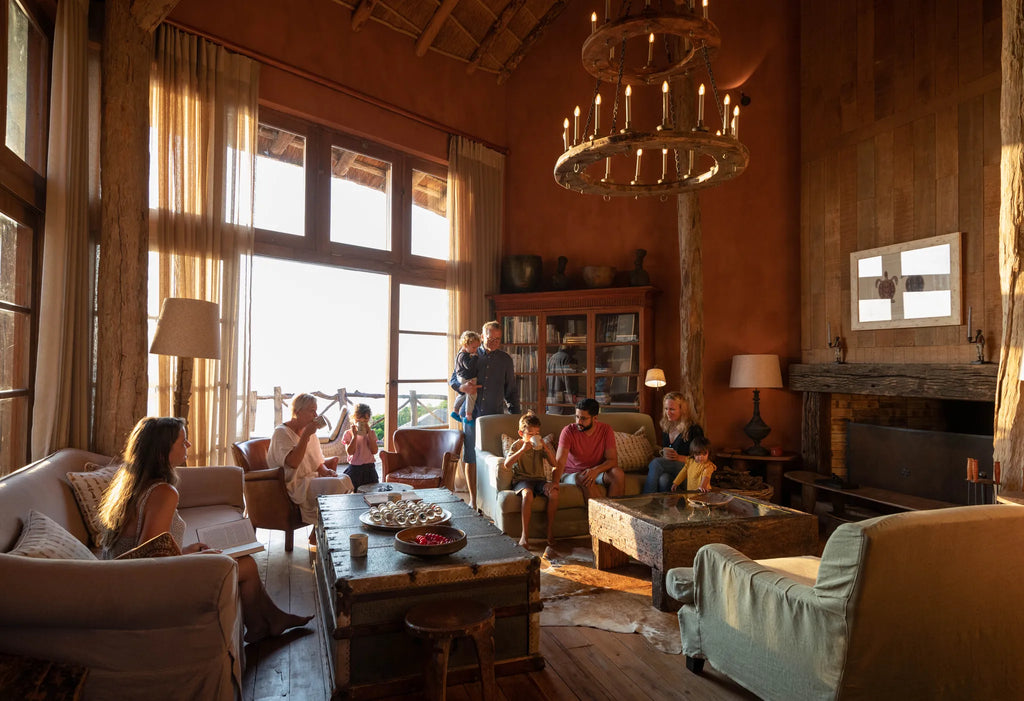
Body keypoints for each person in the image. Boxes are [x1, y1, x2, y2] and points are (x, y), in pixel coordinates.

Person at [98, 416, 312, 643]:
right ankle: (266, 623)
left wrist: (185, 551)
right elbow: (150, 561)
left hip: (126, 579)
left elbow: (149, 549)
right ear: (162, 452)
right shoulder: (162, 493)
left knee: (242, 562)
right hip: (144, 590)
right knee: (247, 565)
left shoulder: (131, 486)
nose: (188, 445)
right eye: (182, 441)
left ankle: (265, 623)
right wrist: (196, 559)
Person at [449, 320, 519, 510]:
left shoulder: (505, 360)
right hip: (470, 416)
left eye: (498, 339)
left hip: (494, 417)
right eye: (490, 338)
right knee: (471, 457)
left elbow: (511, 391)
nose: (494, 342)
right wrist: (461, 387)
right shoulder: (467, 353)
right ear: (482, 336)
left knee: (493, 459)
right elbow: (453, 379)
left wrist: (516, 417)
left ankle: (491, 502)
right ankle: (473, 500)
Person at [267, 393, 354, 541]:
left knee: (344, 478)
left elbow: (316, 461)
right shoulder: (281, 432)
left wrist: (326, 471)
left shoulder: (310, 432)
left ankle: (321, 529)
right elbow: (293, 463)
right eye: (312, 411)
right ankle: (320, 532)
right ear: (297, 412)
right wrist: (306, 435)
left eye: (316, 410)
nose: (316, 415)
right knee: (337, 485)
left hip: (310, 479)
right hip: (293, 484)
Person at [503, 411, 559, 549]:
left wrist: (546, 447)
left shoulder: (539, 446)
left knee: (554, 493)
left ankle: (549, 531)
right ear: (521, 433)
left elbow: (554, 464)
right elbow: (507, 464)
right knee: (527, 494)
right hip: (522, 480)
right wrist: (522, 450)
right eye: (530, 434)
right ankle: (524, 535)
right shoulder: (517, 445)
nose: (534, 437)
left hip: (539, 480)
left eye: (537, 433)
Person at [555, 398, 624, 500]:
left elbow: (612, 460)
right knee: (586, 479)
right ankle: (602, 510)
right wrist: (554, 482)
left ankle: (615, 510)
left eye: (583, 418)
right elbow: (559, 462)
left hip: (596, 473)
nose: (578, 422)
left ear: (595, 418)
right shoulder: (568, 431)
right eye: (577, 417)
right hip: (572, 474)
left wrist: (596, 470)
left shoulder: (606, 430)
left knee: (618, 474)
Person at [643, 391, 707, 493]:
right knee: (664, 479)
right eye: (666, 409)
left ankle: (646, 499)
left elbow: (701, 459)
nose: (668, 412)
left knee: (656, 463)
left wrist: (679, 458)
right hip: (673, 470)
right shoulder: (667, 427)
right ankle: (666, 504)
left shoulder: (694, 429)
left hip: (690, 470)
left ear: (682, 410)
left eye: (672, 409)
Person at [341, 403, 379, 489]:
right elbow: (350, 452)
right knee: (355, 491)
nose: (362, 423)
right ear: (353, 419)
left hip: (369, 468)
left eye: (365, 421)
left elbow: (374, 451)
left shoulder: (371, 433)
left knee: (371, 491)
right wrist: (354, 437)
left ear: (368, 420)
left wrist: (369, 435)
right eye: (358, 421)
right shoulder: (348, 433)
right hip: (355, 468)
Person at [449, 330, 482, 425]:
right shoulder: (464, 355)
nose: (476, 350)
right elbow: (469, 366)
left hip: (462, 377)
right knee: (472, 394)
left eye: (477, 347)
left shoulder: (461, 354)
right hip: (467, 378)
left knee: (463, 394)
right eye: (474, 347)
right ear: (465, 345)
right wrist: (475, 357)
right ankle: (468, 416)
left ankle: (455, 410)